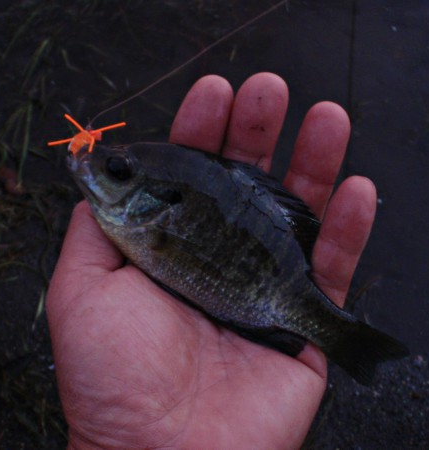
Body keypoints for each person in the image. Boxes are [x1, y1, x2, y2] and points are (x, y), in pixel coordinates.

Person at [46, 73, 377, 449]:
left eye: (117, 172)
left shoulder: (142, 228)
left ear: (158, 199)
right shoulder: (139, 227)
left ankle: (347, 340)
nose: (96, 166)